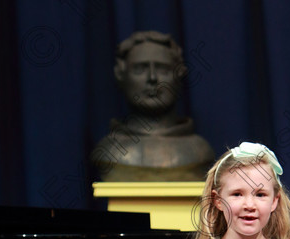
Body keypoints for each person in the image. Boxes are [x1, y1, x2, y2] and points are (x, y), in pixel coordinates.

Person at [91, 30, 214, 181]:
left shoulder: (200, 151)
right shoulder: (109, 151)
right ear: (120, 75)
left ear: (179, 76)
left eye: (163, 69)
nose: (152, 78)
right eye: (140, 69)